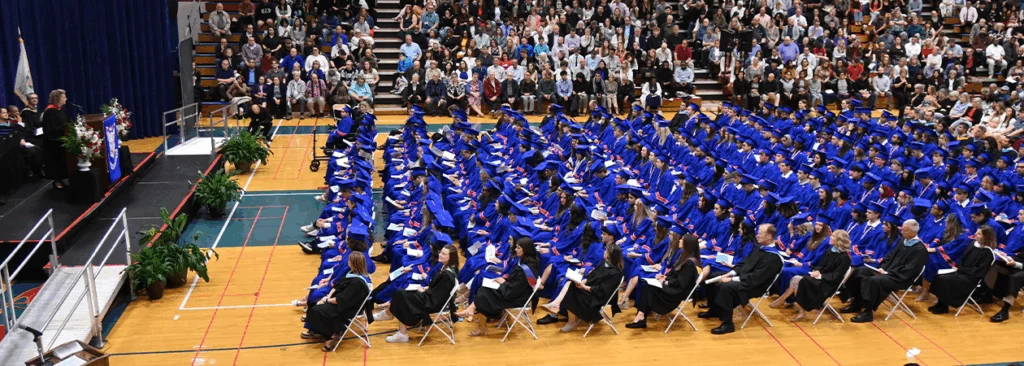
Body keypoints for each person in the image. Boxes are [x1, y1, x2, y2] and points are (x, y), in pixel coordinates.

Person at [699, 223, 784, 334]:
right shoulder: (760, 248)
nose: (757, 235)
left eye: (760, 234)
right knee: (714, 276)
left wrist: (732, 279)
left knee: (726, 287)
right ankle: (715, 310)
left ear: (769, 236)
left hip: (755, 285)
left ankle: (728, 324)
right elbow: (744, 263)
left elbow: (757, 277)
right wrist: (730, 274)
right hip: (745, 278)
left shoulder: (774, 258)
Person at [842, 219, 928, 323]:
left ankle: (868, 312)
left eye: (904, 230)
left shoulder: (920, 249)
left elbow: (910, 269)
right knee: (860, 272)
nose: (901, 232)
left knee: (873, 281)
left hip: (900, 278)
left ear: (912, 232)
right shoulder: (903, 241)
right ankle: (857, 302)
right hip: (887, 272)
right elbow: (889, 256)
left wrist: (889, 273)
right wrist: (882, 267)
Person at [458, 237, 540, 337]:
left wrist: (503, 283)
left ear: (525, 250)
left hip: (518, 298)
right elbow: (515, 283)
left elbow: (513, 290)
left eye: (518, 248)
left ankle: (477, 319)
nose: (515, 249)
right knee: (484, 289)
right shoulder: (525, 262)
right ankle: (476, 318)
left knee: (484, 292)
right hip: (515, 291)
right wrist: (505, 281)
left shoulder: (526, 268)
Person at [379, 244, 460, 343]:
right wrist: (427, 288)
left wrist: (425, 291)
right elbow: (439, 289)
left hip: (433, 303)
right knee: (402, 293)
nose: (440, 255)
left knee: (401, 295)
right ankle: (398, 327)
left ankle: (397, 325)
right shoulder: (447, 268)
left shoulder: (447, 274)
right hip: (432, 298)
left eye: (444, 254)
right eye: (440, 252)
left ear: (450, 257)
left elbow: (438, 296)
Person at [624, 234, 701, 329]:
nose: (680, 240)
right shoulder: (683, 256)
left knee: (648, 286)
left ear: (687, 244)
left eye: (682, 240)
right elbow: (674, 273)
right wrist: (664, 277)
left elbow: (682, 283)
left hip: (676, 292)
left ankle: (641, 317)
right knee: (645, 283)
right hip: (673, 286)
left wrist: (666, 282)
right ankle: (641, 316)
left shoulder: (689, 262)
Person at [301, 252, 373, 351]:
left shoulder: (358, 282)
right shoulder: (352, 273)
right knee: (314, 302)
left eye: (349, 260)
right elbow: (337, 286)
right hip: (339, 301)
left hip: (347, 308)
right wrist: (326, 297)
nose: (348, 262)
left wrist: (327, 300)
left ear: (353, 263)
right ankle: (319, 330)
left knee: (315, 311)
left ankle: (333, 334)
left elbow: (342, 300)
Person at [927, 225, 996, 315]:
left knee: (945, 280)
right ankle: (940, 303)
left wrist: (960, 269)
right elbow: (963, 259)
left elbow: (979, 271)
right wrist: (957, 268)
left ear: (985, 237)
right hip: (961, 271)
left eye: (978, 233)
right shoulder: (972, 244)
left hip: (971, 278)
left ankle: (944, 306)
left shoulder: (988, 252)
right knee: (938, 276)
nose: (975, 234)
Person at [789, 230, 853, 322]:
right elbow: (821, 265)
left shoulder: (845, 257)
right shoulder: (830, 250)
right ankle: (800, 310)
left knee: (803, 280)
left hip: (829, 284)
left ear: (839, 240)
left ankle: (798, 308)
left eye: (833, 236)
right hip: (822, 278)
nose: (830, 237)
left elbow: (836, 276)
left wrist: (820, 276)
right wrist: (817, 271)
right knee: (796, 279)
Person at [39, 89, 71, 190]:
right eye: (64, 97)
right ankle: (57, 181)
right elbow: (51, 129)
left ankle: (63, 178)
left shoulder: (60, 109)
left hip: (62, 140)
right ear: (58, 98)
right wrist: (64, 128)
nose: (66, 99)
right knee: (56, 163)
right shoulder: (50, 112)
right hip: (53, 143)